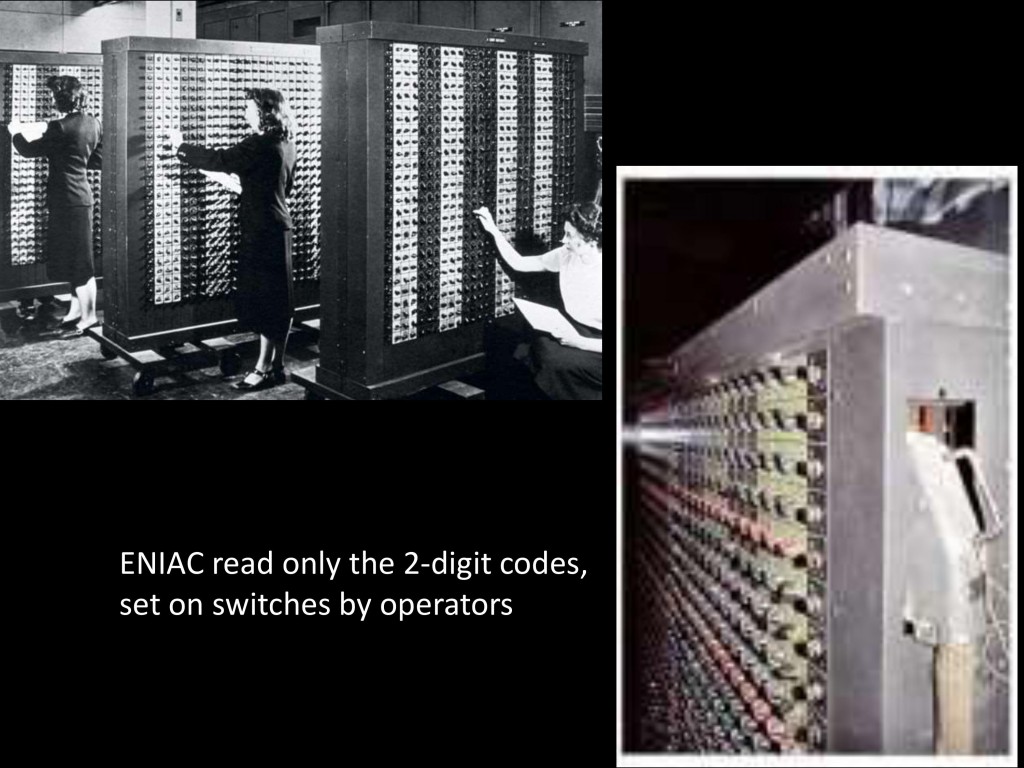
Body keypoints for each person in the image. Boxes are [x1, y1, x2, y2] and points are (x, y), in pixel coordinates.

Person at [166, 87, 296, 391]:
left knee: (266, 300)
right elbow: (283, 187)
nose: (245, 113)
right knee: (281, 300)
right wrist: (246, 187)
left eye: (249, 108)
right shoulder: (286, 143)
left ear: (264, 112)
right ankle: (276, 365)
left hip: (262, 230)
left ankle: (262, 369)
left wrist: (180, 146)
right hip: (280, 226)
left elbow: (220, 158)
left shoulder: (259, 143)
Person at [473, 202, 602, 400]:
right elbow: (521, 263)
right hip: (578, 331)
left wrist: (581, 343)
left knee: (555, 361)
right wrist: (492, 230)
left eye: (570, 235)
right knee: (533, 348)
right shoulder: (566, 255)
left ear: (591, 240)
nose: (563, 239)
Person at [8, 75, 102, 337]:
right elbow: (99, 159)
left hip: (66, 201)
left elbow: (27, 150)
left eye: (52, 97)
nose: (51, 101)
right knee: (76, 259)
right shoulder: (94, 123)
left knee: (82, 264)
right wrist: (73, 158)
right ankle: (74, 311)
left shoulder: (58, 126)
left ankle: (90, 318)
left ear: (61, 99)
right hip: (81, 198)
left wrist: (14, 132)